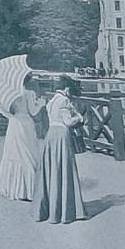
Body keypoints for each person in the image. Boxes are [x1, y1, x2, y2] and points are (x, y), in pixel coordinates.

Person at [35, 77, 87, 224]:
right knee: (63, 169)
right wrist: (78, 116)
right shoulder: (64, 101)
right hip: (61, 135)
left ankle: (51, 208)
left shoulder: (51, 101)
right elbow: (68, 122)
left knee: (52, 170)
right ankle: (63, 211)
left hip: (51, 134)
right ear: (67, 89)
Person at [0, 75, 43, 201]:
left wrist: (8, 115)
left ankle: (11, 188)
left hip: (14, 124)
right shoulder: (29, 93)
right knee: (29, 154)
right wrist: (41, 104)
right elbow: (33, 112)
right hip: (26, 124)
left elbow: (3, 110)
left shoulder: (9, 94)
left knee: (14, 153)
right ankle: (28, 190)